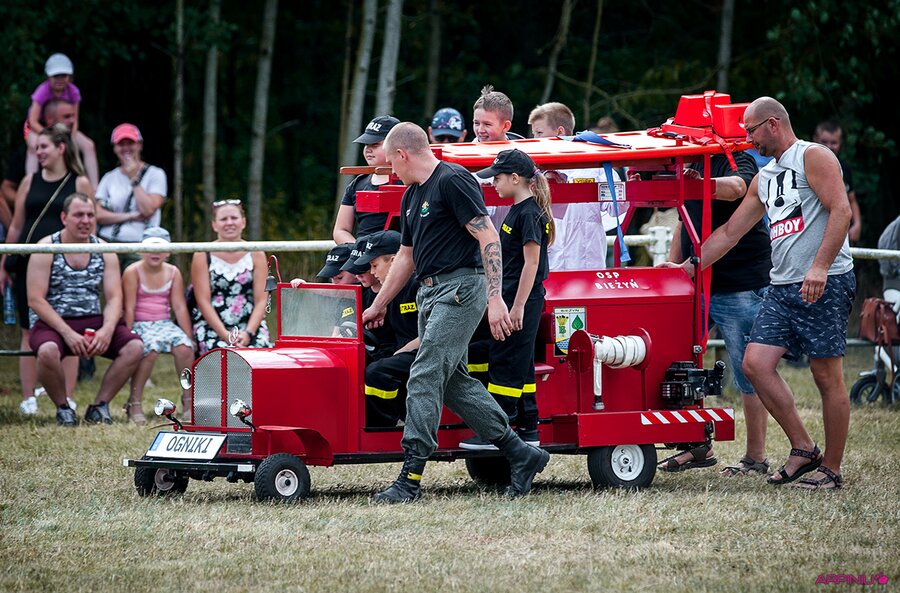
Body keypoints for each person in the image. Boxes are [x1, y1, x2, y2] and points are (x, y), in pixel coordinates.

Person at [664, 97, 854, 491]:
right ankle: (804, 447)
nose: (749, 140)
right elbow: (730, 233)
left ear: (772, 123)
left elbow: (841, 211)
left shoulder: (813, 156)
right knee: (755, 364)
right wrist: (688, 268)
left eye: (751, 131)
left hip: (825, 280)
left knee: (825, 375)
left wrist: (819, 267)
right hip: (781, 285)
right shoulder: (764, 177)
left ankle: (832, 469)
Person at [362, 122, 549, 503]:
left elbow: (488, 236)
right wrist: (378, 305)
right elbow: (406, 257)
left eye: (392, 163)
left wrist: (495, 299)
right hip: (431, 294)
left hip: (461, 291)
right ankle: (520, 453)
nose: (391, 172)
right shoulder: (411, 195)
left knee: (424, 372)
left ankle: (410, 478)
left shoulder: (453, 180)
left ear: (402, 154)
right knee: (453, 382)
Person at [652, 150, 774, 476]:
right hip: (695, 280)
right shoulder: (690, 162)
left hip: (738, 284)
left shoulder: (735, 159)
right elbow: (683, 224)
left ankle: (755, 458)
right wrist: (676, 271)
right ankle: (695, 443)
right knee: (676, 363)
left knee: (749, 370)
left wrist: (702, 183)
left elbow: (736, 188)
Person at [460, 149, 552, 450]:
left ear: (515, 178)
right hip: (514, 295)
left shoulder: (528, 213)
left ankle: (497, 430)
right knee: (520, 362)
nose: (492, 183)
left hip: (520, 298)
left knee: (506, 361)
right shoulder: (519, 209)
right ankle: (528, 427)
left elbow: (531, 264)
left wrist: (518, 306)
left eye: (497, 178)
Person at [26, 192, 143, 425]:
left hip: (92, 318)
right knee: (47, 351)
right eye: (79, 215)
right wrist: (67, 333)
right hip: (53, 322)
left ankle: (99, 407)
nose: (86, 220)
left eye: (90, 215)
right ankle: (63, 409)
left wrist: (107, 330)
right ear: (64, 218)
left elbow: (114, 297)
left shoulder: (103, 248)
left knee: (135, 347)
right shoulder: (46, 247)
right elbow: (35, 299)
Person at [0, 124, 90, 415]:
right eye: (36, 147)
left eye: (43, 146)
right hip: (29, 264)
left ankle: (67, 397)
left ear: (60, 148)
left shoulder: (80, 182)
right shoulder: (29, 181)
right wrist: (4, 263)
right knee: (28, 329)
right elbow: (16, 225)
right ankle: (29, 398)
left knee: (71, 327)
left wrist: (85, 262)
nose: (38, 152)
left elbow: (90, 225)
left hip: (68, 264)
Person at [528, 101, 625, 270]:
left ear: (560, 132)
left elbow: (615, 208)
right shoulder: (534, 172)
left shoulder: (594, 166)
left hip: (587, 263)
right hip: (550, 264)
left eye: (539, 133)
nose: (535, 139)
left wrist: (629, 189)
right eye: (534, 134)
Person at [122, 227, 194, 425]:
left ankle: (189, 401)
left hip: (164, 323)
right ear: (141, 250)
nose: (155, 253)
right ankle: (134, 402)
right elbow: (129, 307)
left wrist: (188, 335)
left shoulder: (173, 272)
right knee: (150, 350)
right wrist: (128, 334)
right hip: (141, 323)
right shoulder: (132, 271)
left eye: (160, 248)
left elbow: (179, 306)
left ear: (168, 252)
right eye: (150, 248)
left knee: (185, 348)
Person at [354, 230, 420, 427]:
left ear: (393, 261)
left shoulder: (418, 286)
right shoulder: (387, 293)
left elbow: (431, 333)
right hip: (400, 351)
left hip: (424, 352)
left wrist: (401, 352)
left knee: (377, 372)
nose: (372, 272)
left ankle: (384, 427)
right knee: (357, 364)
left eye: (375, 266)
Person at [191, 200, 271, 355]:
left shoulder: (256, 253)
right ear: (214, 225)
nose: (229, 223)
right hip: (213, 326)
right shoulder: (202, 254)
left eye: (234, 218)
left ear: (243, 222)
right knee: (219, 356)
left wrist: (248, 333)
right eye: (223, 219)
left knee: (259, 355)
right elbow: (202, 301)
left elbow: (262, 300)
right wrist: (227, 336)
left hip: (249, 325)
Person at [95, 123, 168, 273]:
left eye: (130, 143)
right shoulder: (109, 178)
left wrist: (134, 178)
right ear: (115, 148)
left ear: (139, 145)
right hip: (108, 242)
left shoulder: (155, 174)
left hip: (139, 246)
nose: (126, 148)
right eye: (121, 144)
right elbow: (97, 214)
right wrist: (131, 216)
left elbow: (148, 209)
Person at [24, 53, 99, 187]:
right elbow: (32, 120)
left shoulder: (73, 91)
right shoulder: (42, 91)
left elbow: (74, 119)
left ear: (69, 76)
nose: (60, 79)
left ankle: (95, 188)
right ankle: (31, 184)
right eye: (55, 76)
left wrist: (71, 138)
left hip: (63, 127)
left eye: (63, 75)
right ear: (49, 77)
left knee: (88, 145)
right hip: (38, 127)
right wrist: (49, 136)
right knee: (33, 146)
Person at [333, 116, 400, 244]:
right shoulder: (357, 184)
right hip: (360, 251)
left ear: (396, 145)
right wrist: (357, 250)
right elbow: (341, 230)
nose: (368, 149)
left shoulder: (409, 181)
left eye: (375, 145)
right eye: (366, 144)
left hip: (396, 252)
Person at [813, 120, 861, 243]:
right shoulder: (807, 167)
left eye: (833, 143)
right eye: (824, 142)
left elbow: (851, 199)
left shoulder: (844, 168)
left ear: (840, 143)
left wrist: (857, 224)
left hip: (839, 229)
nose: (829, 146)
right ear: (815, 140)